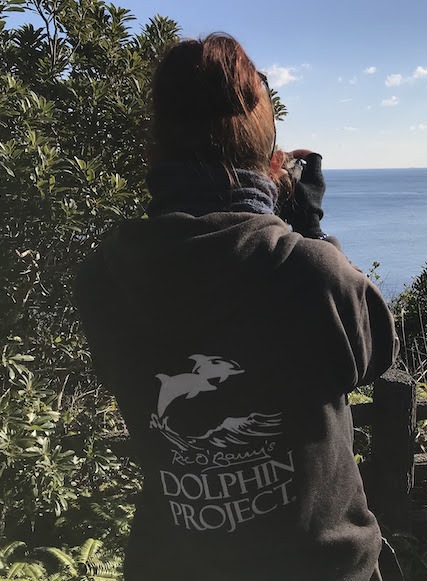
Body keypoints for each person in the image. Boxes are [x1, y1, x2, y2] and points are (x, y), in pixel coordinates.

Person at [75, 33, 399, 580]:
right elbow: (375, 354)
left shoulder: (104, 275)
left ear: (154, 155)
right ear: (273, 163)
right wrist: (308, 226)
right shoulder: (309, 273)